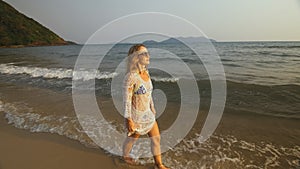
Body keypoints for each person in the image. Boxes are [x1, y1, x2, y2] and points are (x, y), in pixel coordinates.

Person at [122, 44, 170, 169]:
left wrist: (152, 108)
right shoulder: (131, 77)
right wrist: (128, 119)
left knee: (156, 139)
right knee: (132, 140)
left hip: (148, 114)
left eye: (147, 52)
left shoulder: (146, 73)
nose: (148, 56)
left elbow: (149, 93)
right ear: (136, 57)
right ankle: (125, 155)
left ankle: (159, 164)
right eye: (144, 53)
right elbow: (126, 101)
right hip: (136, 116)